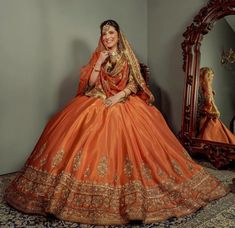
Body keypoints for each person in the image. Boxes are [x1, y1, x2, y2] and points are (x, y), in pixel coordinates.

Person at [4, 20, 229, 225]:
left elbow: (133, 84)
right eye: (103, 34)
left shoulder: (127, 57)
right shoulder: (99, 56)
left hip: (122, 102)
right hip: (96, 100)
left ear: (118, 35)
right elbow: (88, 85)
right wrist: (98, 62)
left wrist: (117, 97)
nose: (107, 37)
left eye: (111, 32)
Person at [197, 67, 235, 144]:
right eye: (210, 78)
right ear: (206, 78)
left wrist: (215, 111)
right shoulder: (203, 91)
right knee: (214, 126)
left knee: (217, 126)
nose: (211, 80)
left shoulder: (207, 90)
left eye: (212, 78)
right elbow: (208, 106)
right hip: (205, 116)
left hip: (208, 115)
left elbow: (211, 105)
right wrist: (214, 112)